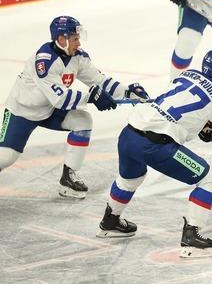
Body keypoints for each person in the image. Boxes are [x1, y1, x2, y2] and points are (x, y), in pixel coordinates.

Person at [95, 49, 212, 258]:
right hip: (156, 146)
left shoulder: (186, 74)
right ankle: (192, 237)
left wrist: (203, 128)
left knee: (131, 179)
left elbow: (178, 109)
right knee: (211, 177)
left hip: (129, 135)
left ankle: (110, 222)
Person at [0, 16, 149, 199]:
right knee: (6, 157)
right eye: (75, 38)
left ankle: (68, 179)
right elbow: (60, 99)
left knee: (83, 121)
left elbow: (99, 81)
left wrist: (127, 92)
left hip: (48, 110)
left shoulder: (78, 57)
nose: (78, 43)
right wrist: (92, 97)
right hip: (21, 112)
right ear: (61, 39)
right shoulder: (44, 61)